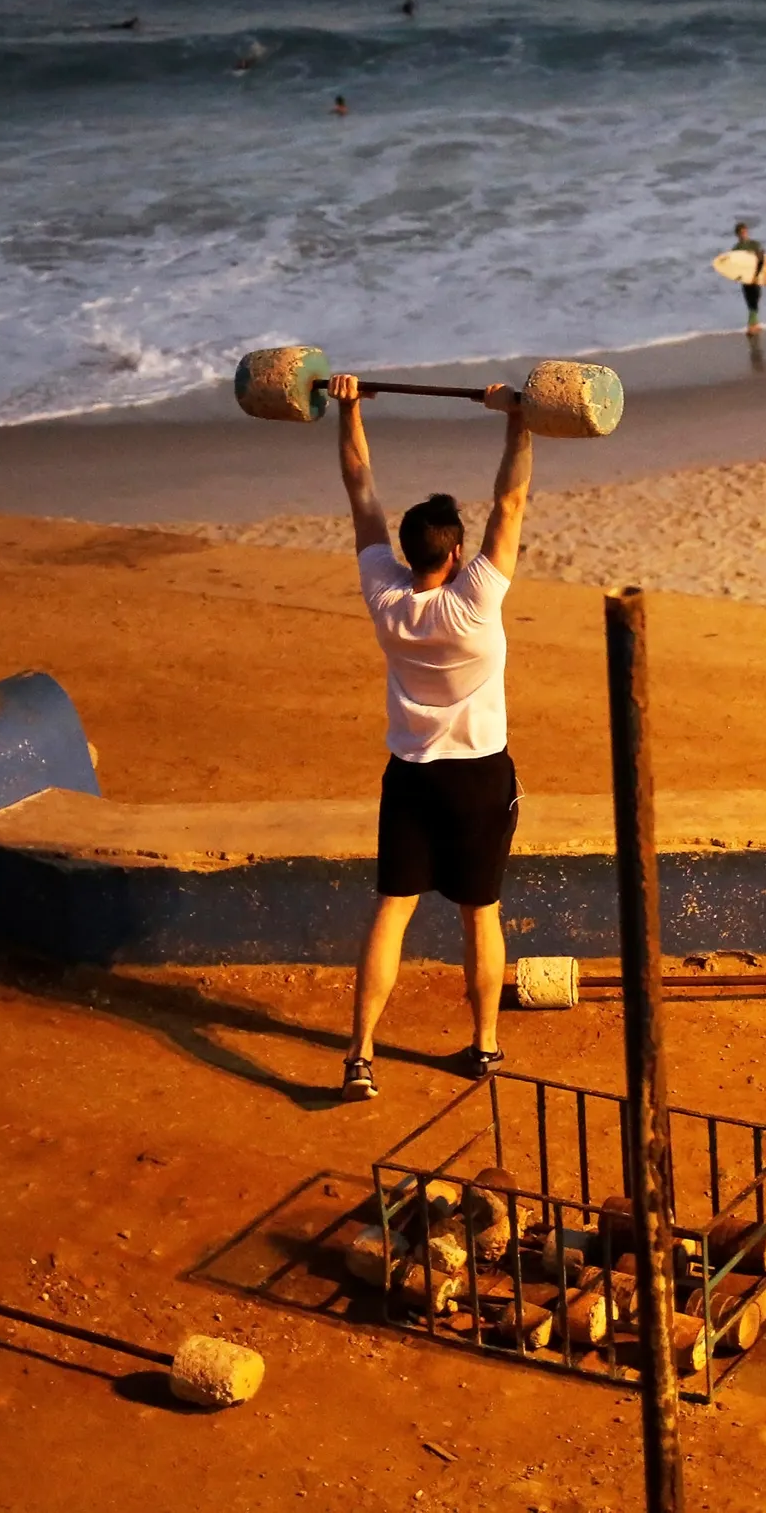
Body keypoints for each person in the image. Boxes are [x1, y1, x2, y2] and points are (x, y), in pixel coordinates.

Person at [327, 369, 537, 1100]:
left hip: (411, 777)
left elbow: (360, 486)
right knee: (481, 912)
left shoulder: (385, 596)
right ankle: (483, 1048)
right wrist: (517, 417)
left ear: (410, 552)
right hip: (479, 776)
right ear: (452, 555)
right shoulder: (476, 601)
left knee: (394, 906)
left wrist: (349, 407)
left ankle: (360, 1055)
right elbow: (510, 501)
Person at [731, 220, 766, 334]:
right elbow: (734, 264)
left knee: (756, 298)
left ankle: (753, 324)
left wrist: (758, 274)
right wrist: (736, 276)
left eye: (744, 232)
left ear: (747, 232)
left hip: (756, 275)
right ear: (737, 235)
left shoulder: (754, 244)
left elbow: (761, 259)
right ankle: (753, 324)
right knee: (750, 300)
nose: (743, 235)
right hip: (745, 277)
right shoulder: (736, 248)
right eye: (740, 233)